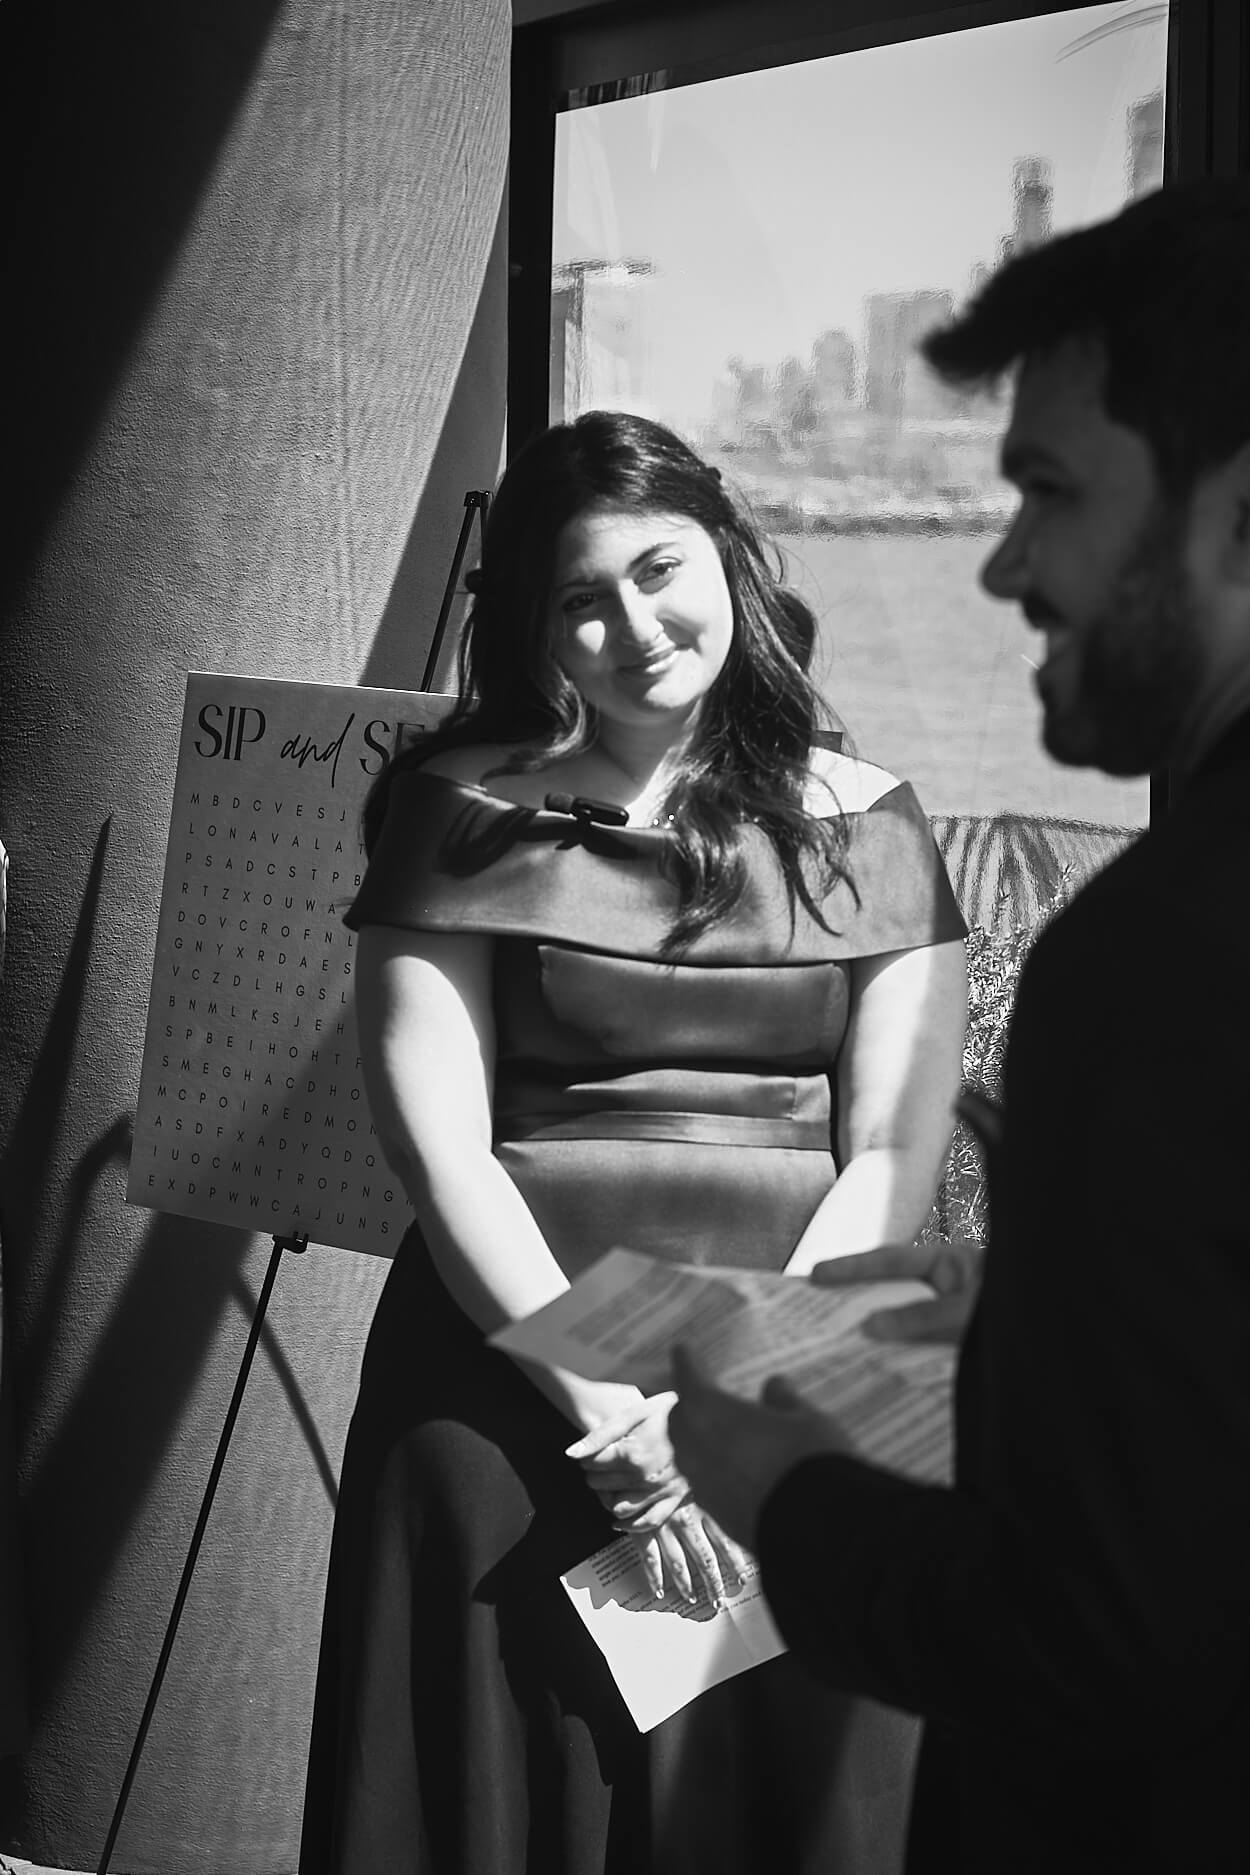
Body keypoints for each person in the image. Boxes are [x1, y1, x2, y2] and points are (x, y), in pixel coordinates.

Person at [670, 176, 1250, 1875]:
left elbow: (1097, 1641)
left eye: (1047, 493)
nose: (1000, 565)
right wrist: (1030, 1331)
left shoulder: (1157, 957)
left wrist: (783, 1493)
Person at [298, 409, 968, 1875]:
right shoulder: (459, 813)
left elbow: (888, 1160)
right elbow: (441, 1153)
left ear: (728, 557)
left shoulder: (875, 824)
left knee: (806, 1805)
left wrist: (740, 1415)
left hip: (811, 1382)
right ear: (535, 629)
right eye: (581, 600)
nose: (634, 626)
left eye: (659, 570)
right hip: (507, 1379)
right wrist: (614, 1423)